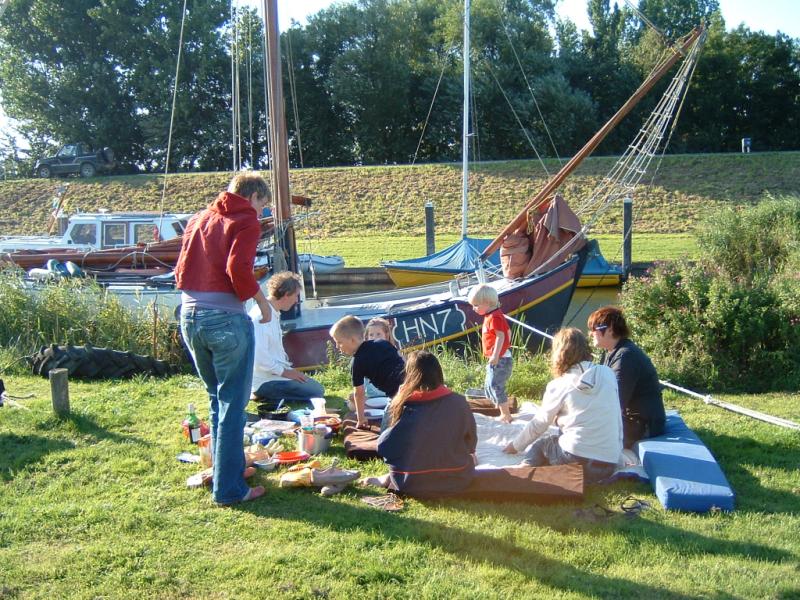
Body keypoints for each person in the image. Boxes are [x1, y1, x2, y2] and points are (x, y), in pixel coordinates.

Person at [176, 172, 272, 505]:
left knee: (217, 398)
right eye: (263, 206)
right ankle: (229, 489)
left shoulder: (199, 219)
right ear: (254, 197)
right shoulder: (246, 220)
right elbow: (238, 269)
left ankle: (225, 471)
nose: (262, 213)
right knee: (232, 403)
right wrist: (263, 303)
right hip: (225, 319)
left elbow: (182, 268)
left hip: (189, 316)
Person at [503, 328, 622, 483]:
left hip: (576, 459)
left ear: (559, 353)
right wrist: (618, 452)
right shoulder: (607, 373)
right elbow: (617, 416)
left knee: (543, 444)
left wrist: (515, 446)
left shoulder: (559, 384)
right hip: (608, 464)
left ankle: (524, 470)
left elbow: (539, 423)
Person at [361, 350, 477, 497]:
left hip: (410, 481)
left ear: (410, 376)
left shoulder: (405, 405)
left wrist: (397, 399)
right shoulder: (459, 402)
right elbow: (471, 441)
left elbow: (385, 447)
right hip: (457, 477)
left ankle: (387, 477)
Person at [587, 306, 666, 448]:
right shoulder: (613, 352)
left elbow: (615, 401)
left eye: (594, 329)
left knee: (587, 435)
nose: (591, 333)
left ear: (610, 329)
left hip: (643, 423)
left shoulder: (626, 356)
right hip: (632, 418)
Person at [249, 271, 325, 404]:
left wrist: (288, 371)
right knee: (316, 391)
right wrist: (286, 373)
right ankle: (263, 394)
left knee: (316, 388)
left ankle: (271, 394)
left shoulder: (272, 312)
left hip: (274, 375)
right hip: (265, 380)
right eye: (295, 296)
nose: (296, 301)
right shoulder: (262, 316)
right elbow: (260, 359)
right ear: (286, 294)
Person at [329, 315, 405, 429]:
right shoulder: (382, 343)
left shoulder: (357, 362)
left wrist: (361, 419)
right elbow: (401, 362)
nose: (337, 347)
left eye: (339, 342)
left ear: (352, 340)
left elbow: (359, 394)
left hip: (397, 396)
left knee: (386, 429)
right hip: (411, 384)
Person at [467, 284, 513, 423]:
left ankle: (506, 414)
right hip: (497, 358)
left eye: (476, 305)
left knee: (495, 385)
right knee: (489, 384)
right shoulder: (492, 315)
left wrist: (496, 355)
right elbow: (508, 331)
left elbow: (501, 336)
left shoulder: (494, 317)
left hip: (501, 359)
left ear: (487, 303)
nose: (474, 308)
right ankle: (497, 406)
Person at [362, 317, 401, 400]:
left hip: (392, 396)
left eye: (378, 334)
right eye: (371, 335)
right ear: (367, 337)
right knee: (351, 403)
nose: (374, 337)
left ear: (386, 336)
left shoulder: (395, 354)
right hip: (371, 398)